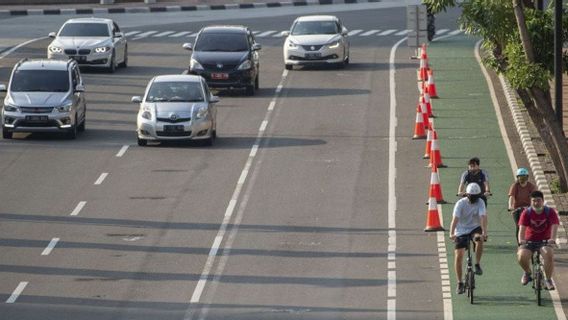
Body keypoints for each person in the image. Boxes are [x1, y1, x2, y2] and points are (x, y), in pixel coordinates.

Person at [450, 182, 488, 294]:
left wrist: (484, 232)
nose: (474, 199)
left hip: (475, 228)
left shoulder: (480, 202)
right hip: (461, 230)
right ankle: (459, 282)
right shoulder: (460, 204)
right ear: (467, 194)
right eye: (471, 196)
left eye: (475, 196)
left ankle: (477, 264)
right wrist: (451, 233)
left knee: (479, 239)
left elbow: (482, 217)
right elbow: (455, 219)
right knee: (459, 255)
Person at [517, 190, 559, 290]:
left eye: (538, 200)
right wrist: (521, 240)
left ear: (543, 201)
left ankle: (548, 280)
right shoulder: (526, 213)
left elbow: (555, 225)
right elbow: (521, 229)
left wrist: (552, 238)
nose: (536, 203)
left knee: (548, 254)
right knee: (521, 256)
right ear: (531, 202)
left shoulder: (549, 212)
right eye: (534, 201)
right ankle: (527, 272)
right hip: (529, 241)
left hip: (545, 241)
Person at [508, 167, 537, 243]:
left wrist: (533, 206)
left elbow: (534, 197)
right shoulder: (515, 186)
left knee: (531, 225)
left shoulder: (531, 186)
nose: (522, 179)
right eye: (520, 177)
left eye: (524, 177)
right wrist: (510, 206)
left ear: (527, 177)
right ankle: (520, 244)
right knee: (519, 226)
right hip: (517, 209)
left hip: (528, 208)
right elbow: (512, 197)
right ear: (517, 178)